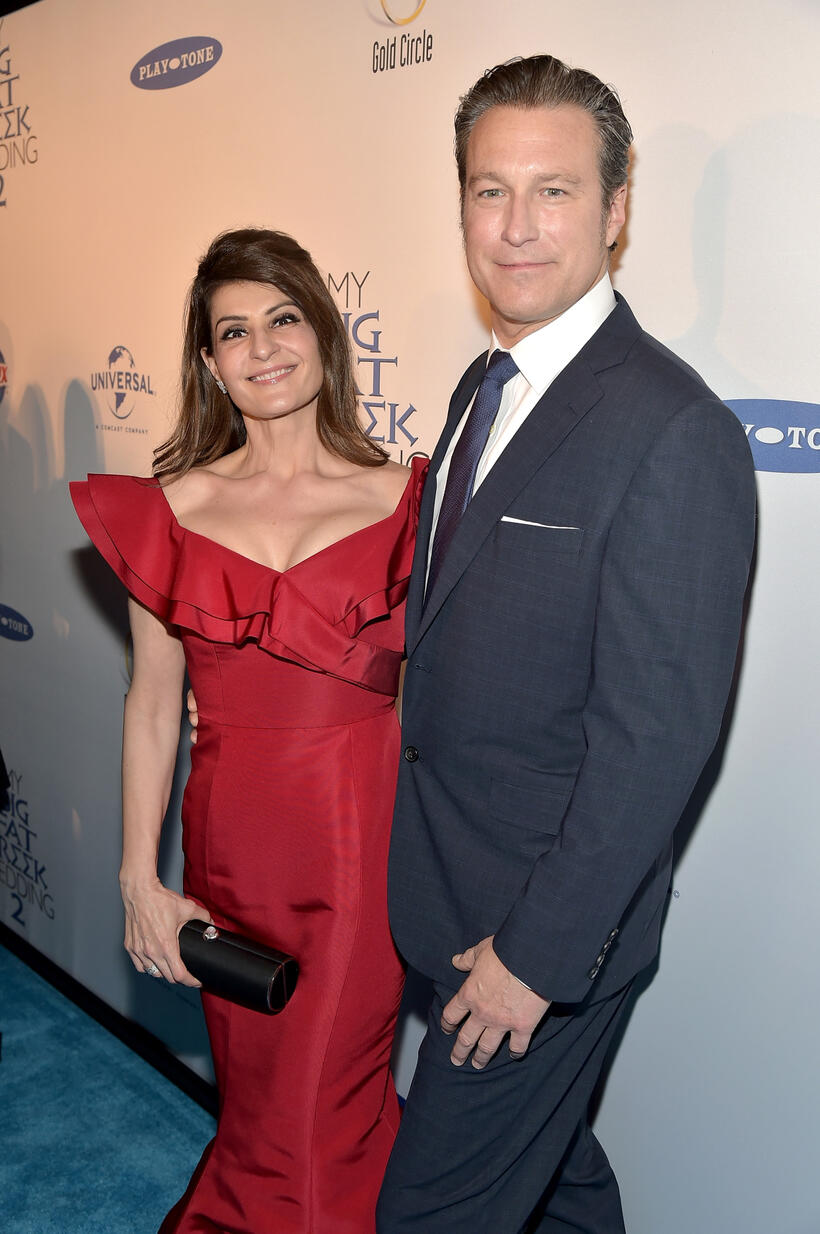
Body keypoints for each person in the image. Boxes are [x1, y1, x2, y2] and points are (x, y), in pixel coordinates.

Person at [377, 55, 756, 1233]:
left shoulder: (673, 427)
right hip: (449, 886)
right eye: (489, 191)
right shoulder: (480, 385)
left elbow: (658, 738)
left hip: (538, 932)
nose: (516, 227)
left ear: (616, 208)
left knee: (428, 1213)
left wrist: (535, 957)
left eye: (553, 191)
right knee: (555, 1189)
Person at [71, 227, 426, 1234]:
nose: (263, 347)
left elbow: (432, 703)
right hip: (230, 852)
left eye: (282, 318)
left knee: (325, 1101)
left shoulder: (407, 501)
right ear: (209, 363)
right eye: (234, 332)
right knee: (265, 1103)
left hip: (362, 852)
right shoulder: (168, 513)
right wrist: (139, 879)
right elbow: (153, 704)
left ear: (322, 334)